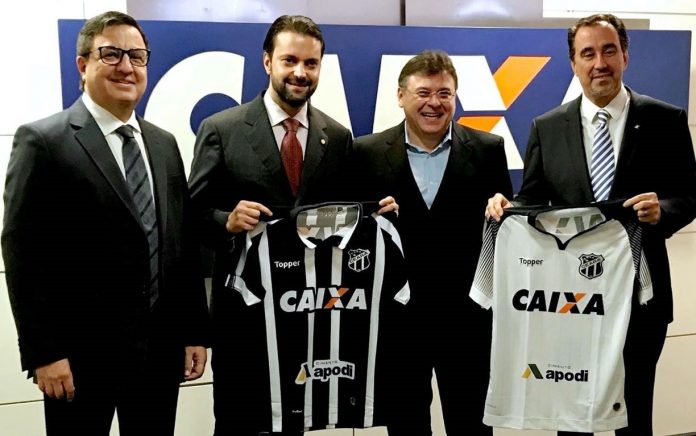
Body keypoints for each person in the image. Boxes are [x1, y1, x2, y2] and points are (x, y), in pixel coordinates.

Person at [486, 13, 696, 435]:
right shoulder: (547, 127)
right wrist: (508, 207)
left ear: (625, 56)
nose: (599, 63)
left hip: (640, 296)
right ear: (573, 62)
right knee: (570, 415)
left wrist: (664, 211)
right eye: (588, 53)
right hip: (570, 300)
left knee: (634, 413)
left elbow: (689, 196)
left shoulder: (665, 119)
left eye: (608, 51)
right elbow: (532, 198)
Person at [2, 11, 209, 435]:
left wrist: (193, 331)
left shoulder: (164, 144)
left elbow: (181, 246)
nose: (126, 67)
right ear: (83, 65)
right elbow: (23, 256)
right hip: (78, 360)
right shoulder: (44, 141)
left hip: (158, 354)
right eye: (111, 54)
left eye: (137, 56)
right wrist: (44, 353)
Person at [188, 14, 396, 435]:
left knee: (297, 421)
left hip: (307, 317)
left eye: (311, 63)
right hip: (243, 316)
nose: (300, 72)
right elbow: (190, 216)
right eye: (290, 61)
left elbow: (344, 216)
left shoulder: (337, 137)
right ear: (267, 61)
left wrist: (374, 211)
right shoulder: (222, 129)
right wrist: (226, 221)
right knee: (237, 423)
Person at [352, 50, 513, 435]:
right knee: (406, 426)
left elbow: (505, 230)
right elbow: (352, 237)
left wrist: (506, 208)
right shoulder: (365, 153)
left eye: (445, 94)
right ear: (400, 96)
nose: (434, 103)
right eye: (423, 92)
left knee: (472, 426)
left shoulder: (488, 149)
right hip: (398, 323)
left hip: (467, 321)